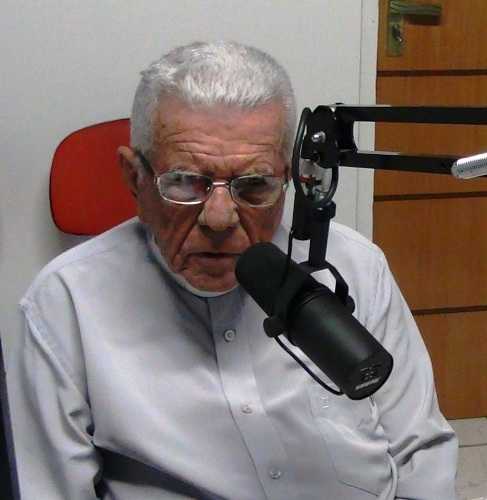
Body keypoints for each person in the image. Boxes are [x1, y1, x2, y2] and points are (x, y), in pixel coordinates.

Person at [8, 41, 457, 499]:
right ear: (134, 179)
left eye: (255, 185)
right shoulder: (64, 304)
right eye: (185, 182)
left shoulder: (354, 265)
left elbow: (420, 448)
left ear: (289, 180)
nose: (220, 219)